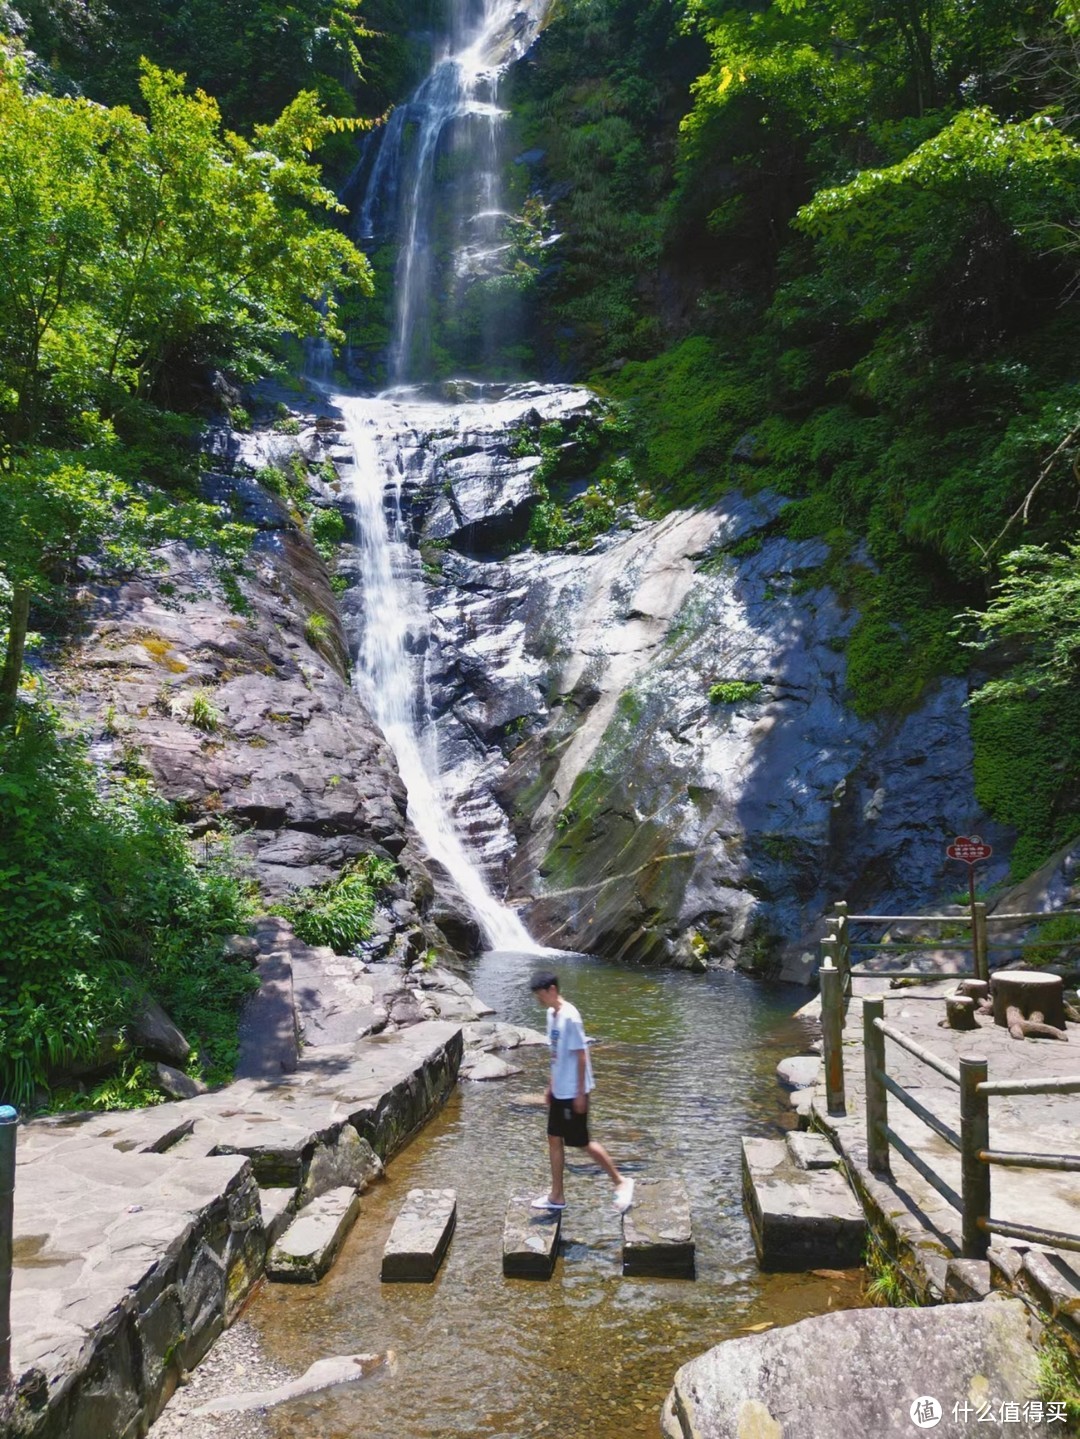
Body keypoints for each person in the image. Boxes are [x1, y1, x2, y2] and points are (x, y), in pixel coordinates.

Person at [528, 971, 634, 1213]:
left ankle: (621, 1181)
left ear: (552, 990)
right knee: (554, 1138)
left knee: (582, 1143)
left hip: (573, 1092)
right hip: (559, 1090)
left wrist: (579, 1094)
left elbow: (581, 1056)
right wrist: (551, 1086)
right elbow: (556, 1054)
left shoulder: (570, 1018)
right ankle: (557, 1196)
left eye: (541, 995)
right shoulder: (551, 1015)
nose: (539, 1000)